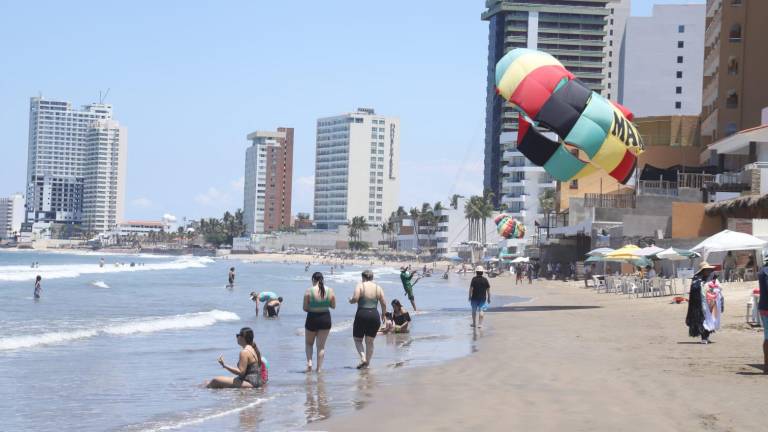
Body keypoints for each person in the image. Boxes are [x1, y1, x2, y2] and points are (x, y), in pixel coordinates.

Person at [349, 270, 387, 369]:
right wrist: (383, 314)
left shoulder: (360, 285)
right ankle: (367, 363)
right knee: (369, 342)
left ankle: (363, 358)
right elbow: (383, 302)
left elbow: (355, 298)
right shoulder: (378, 288)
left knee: (357, 340)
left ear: (363, 278)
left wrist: (350, 300)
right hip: (374, 315)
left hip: (362, 314)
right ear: (372, 278)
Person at [303, 272, 336, 372]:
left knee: (309, 343)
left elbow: (305, 308)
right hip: (325, 318)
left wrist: (314, 307)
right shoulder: (330, 290)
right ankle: (319, 369)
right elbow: (333, 306)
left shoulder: (309, 290)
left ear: (313, 280)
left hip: (312, 318)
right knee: (321, 346)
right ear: (322, 279)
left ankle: (309, 362)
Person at [685, 262, 716, 344]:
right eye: (707, 270)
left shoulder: (710, 278)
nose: (709, 271)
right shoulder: (697, 279)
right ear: (703, 270)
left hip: (709, 302)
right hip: (699, 303)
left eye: (709, 270)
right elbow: (694, 290)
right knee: (702, 320)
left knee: (710, 319)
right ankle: (704, 337)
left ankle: (707, 336)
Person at [758, 257, 768, 374]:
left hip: (764, 307)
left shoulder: (762, 271)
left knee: (767, 337)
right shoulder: (765, 272)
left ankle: (766, 365)